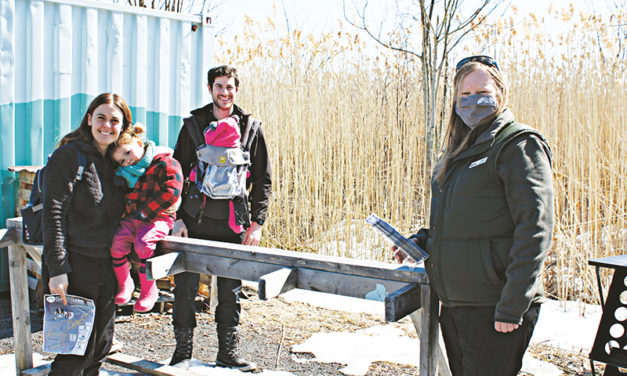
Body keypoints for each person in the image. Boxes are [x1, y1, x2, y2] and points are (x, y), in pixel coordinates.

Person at [393, 56, 554, 376]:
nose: (472, 101)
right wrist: (420, 241)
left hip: (493, 308)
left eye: (481, 91)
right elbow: (458, 222)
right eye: (464, 95)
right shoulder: (456, 152)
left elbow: (535, 229)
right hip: (455, 305)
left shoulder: (518, 145)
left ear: (500, 93)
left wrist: (511, 307)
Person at [169, 65, 272, 371]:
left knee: (230, 290)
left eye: (229, 87)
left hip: (233, 224)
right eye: (218, 86)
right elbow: (173, 173)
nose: (224, 92)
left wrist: (257, 223)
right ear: (210, 89)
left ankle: (227, 353)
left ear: (236, 90)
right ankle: (182, 352)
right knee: (184, 288)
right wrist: (176, 218)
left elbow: (263, 180)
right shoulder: (193, 125)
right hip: (193, 220)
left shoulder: (251, 128)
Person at [43, 93, 132, 375]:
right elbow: (53, 213)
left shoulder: (120, 163)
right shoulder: (69, 156)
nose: (107, 126)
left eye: (114, 121)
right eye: (101, 118)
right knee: (73, 353)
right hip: (76, 265)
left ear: (123, 126)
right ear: (90, 119)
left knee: (99, 348)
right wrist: (57, 269)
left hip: (107, 265)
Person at [109, 123, 183, 312]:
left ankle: (149, 290)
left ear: (139, 142)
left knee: (144, 243)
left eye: (127, 153)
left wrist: (145, 212)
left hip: (158, 217)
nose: (127, 161)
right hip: (135, 217)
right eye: (122, 161)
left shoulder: (165, 162)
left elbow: (172, 191)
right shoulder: (128, 174)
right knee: (117, 242)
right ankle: (126, 285)